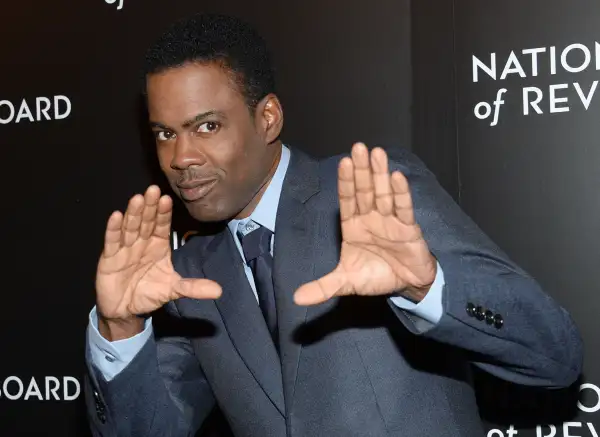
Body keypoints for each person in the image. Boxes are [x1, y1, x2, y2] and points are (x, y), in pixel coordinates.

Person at [83, 13, 583, 437]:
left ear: (268, 118)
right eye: (165, 134)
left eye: (207, 126)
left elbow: (553, 355)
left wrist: (427, 287)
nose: (181, 157)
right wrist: (121, 329)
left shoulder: (369, 195)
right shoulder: (189, 272)